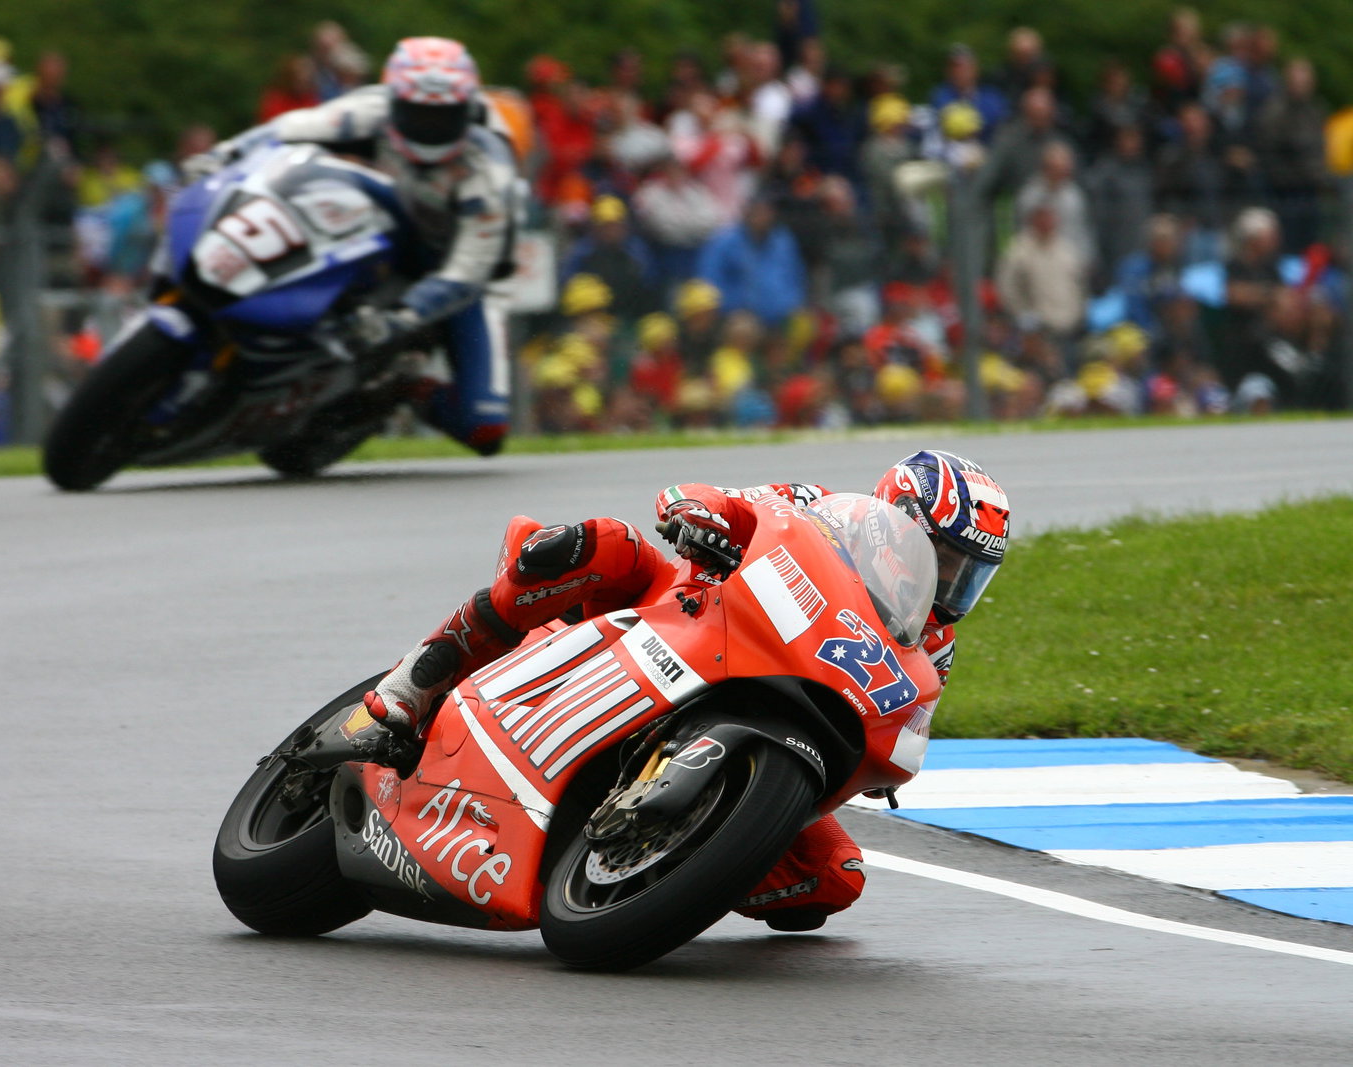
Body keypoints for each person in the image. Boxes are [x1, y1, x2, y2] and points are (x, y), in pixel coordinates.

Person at [360, 450, 1011, 929]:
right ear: (894, 523)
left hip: (785, 699)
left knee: (832, 880)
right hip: (685, 612)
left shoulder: (933, 645)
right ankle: (428, 668)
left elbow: (909, 715)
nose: (953, 584)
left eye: (969, 572)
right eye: (946, 558)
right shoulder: (815, 505)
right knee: (605, 544)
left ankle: (681, 852)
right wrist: (696, 510)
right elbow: (719, 497)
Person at [183, 37, 520, 454]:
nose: (429, 127)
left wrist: (402, 316)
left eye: (444, 116)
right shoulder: (370, 109)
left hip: (463, 277)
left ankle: (405, 386)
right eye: (417, 113)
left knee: (485, 428)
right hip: (386, 232)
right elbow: (286, 130)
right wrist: (222, 157)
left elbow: (469, 270)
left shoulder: (488, 171)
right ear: (396, 100)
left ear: (467, 111)